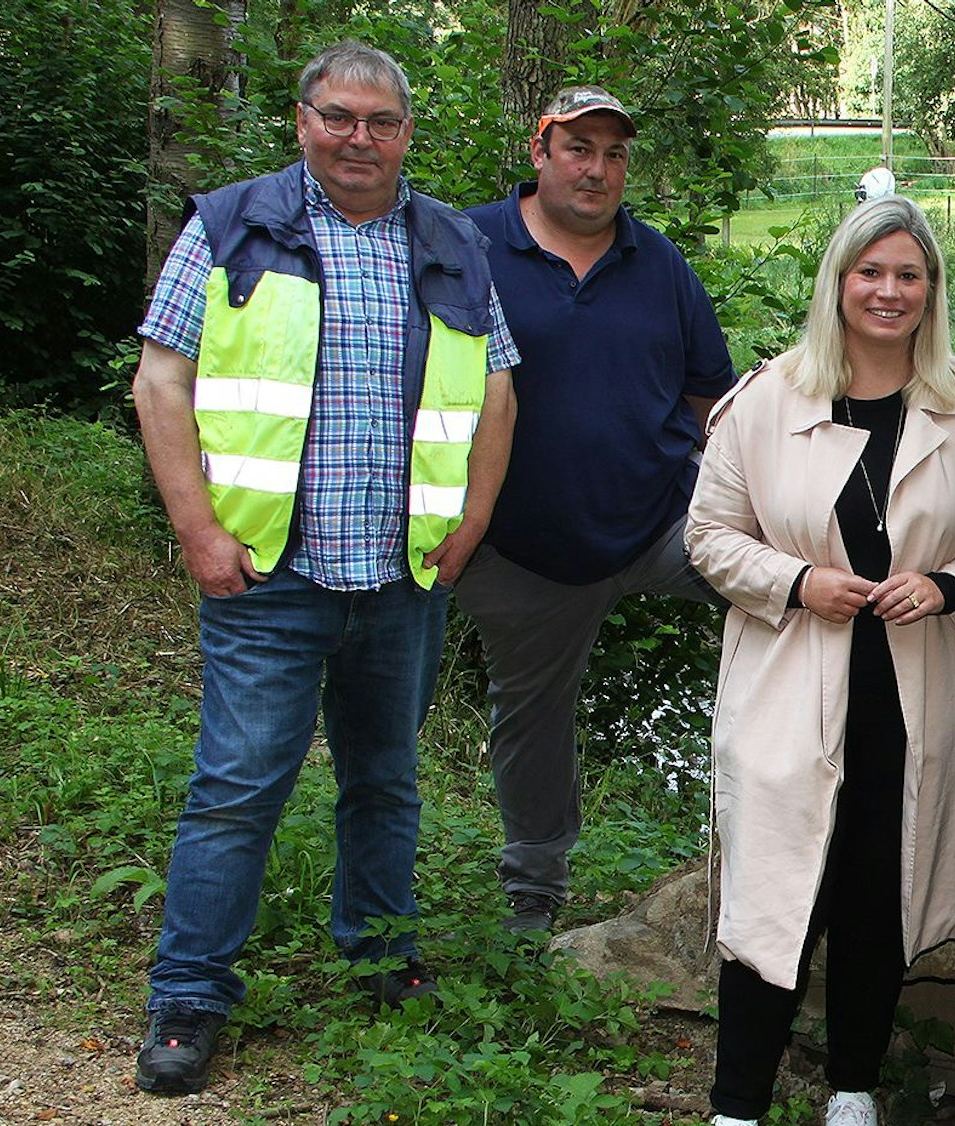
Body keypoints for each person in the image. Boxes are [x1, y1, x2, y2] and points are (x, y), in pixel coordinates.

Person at [127, 40, 519, 1096]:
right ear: (301, 121)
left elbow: (493, 394)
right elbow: (160, 382)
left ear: (404, 132)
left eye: (380, 122)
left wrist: (473, 519)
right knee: (235, 789)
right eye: (338, 117)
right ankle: (189, 994)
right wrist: (198, 531)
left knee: (385, 783)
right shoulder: (231, 225)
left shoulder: (448, 239)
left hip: (401, 579)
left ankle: (381, 958)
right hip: (267, 575)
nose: (359, 138)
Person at [685, 195, 955, 1126]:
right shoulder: (769, 397)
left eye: (908, 275)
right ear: (838, 282)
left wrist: (948, 588)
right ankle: (736, 1105)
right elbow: (708, 535)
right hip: (792, 685)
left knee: (881, 888)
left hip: (912, 690)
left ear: (932, 290)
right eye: (870, 272)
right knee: (777, 896)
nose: (888, 291)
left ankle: (853, 1089)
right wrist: (797, 582)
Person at [457, 85, 735, 934]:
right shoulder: (468, 245)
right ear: (539, 152)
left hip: (661, 526)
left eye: (615, 154)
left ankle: (806, 821)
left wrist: (716, 498)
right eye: (580, 148)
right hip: (519, 545)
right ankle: (533, 888)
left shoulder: (659, 264)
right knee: (530, 714)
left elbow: (710, 398)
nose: (598, 169)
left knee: (797, 603)